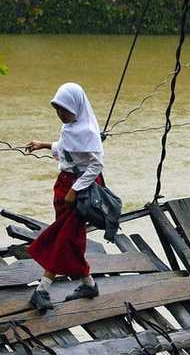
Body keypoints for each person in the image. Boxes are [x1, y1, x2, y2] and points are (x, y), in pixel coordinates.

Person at [26, 82, 104, 314]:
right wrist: (44, 145)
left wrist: (75, 189)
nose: (61, 114)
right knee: (72, 238)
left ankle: (41, 289)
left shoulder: (87, 132)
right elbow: (68, 148)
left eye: (65, 110)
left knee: (63, 238)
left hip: (78, 191)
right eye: (58, 110)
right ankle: (89, 285)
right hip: (64, 186)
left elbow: (96, 164)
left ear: (77, 108)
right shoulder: (71, 128)